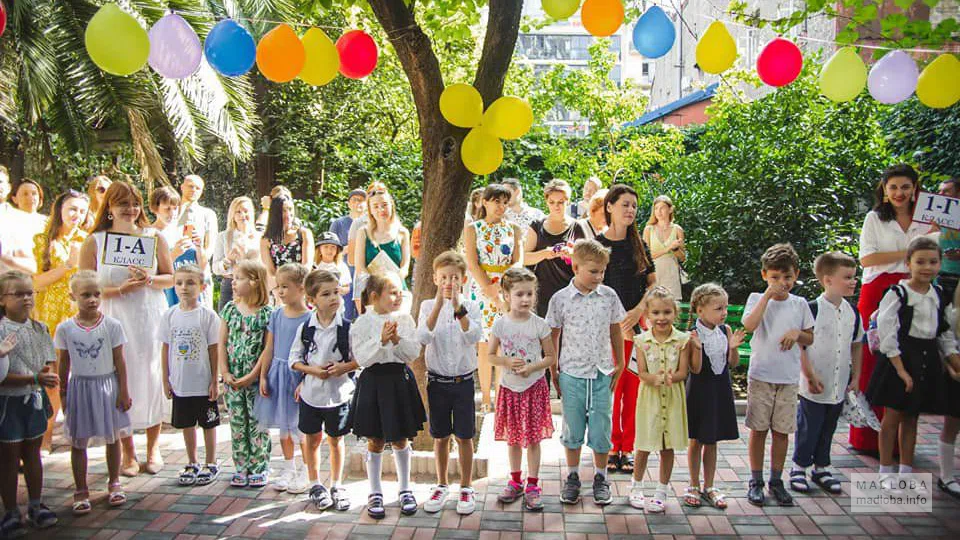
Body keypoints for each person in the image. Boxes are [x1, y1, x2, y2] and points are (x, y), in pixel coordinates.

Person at [79, 181, 174, 477]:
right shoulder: (95, 241)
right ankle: (128, 452)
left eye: (135, 204)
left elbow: (170, 277)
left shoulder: (154, 237)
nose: (131, 210)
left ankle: (154, 447)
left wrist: (148, 280)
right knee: (122, 379)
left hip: (149, 316)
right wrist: (118, 289)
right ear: (109, 207)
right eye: (123, 204)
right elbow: (84, 286)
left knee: (152, 375)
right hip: (115, 317)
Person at [867, 236, 960, 496]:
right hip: (900, 357)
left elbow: (943, 332)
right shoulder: (898, 293)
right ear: (908, 263)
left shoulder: (939, 294)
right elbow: (887, 331)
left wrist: (952, 358)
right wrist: (899, 368)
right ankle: (886, 470)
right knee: (892, 417)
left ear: (941, 264)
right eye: (920, 262)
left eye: (933, 262)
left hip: (926, 357)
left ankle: (906, 472)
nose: (926, 267)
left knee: (912, 416)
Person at [854, 164, 935, 453]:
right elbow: (867, 259)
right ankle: (866, 438)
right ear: (884, 191)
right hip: (877, 291)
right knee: (873, 360)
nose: (899, 193)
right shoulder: (874, 218)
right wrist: (913, 253)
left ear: (915, 189)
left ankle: (901, 445)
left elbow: (935, 255)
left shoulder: (927, 221)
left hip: (916, 292)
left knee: (910, 358)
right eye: (893, 187)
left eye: (905, 187)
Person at [546, 239, 625, 507]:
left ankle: (601, 478)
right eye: (593, 271)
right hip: (572, 373)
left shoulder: (609, 296)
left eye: (602, 271)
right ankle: (572, 476)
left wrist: (621, 361)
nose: (599, 277)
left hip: (603, 371)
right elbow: (553, 335)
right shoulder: (560, 299)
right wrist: (553, 367)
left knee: (603, 426)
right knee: (572, 425)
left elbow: (616, 328)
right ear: (576, 267)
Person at [740, 243, 814, 507]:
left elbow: (810, 337)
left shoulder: (800, 304)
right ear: (764, 276)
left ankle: (776, 479)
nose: (781, 283)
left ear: (796, 275)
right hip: (761, 375)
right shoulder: (755, 299)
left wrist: (798, 334)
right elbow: (748, 325)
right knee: (758, 429)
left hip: (788, 378)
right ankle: (756, 480)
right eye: (774, 277)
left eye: (787, 277)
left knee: (782, 432)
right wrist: (767, 296)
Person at [349, 272, 425, 519]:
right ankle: (375, 491)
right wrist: (381, 341)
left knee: (401, 437)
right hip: (373, 382)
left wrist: (397, 339)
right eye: (392, 292)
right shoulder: (362, 323)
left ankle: (405, 488)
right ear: (374, 297)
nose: (398, 296)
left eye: (400, 291)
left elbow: (412, 353)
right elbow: (361, 358)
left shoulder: (405, 319)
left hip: (399, 380)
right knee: (376, 438)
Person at [56, 270, 132, 514]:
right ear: (73, 296)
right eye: (85, 295)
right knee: (79, 441)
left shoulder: (112, 325)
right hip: (80, 387)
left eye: (96, 294)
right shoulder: (65, 328)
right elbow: (63, 363)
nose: (92, 299)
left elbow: (120, 361)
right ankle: (81, 489)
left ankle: (114, 482)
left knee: (113, 437)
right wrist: (64, 394)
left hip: (107, 386)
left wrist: (123, 391)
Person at [789, 252, 862, 495]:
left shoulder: (853, 312)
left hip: (838, 384)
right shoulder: (812, 309)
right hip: (813, 384)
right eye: (848, 277)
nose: (854, 282)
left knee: (829, 426)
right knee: (809, 425)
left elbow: (857, 344)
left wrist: (857, 375)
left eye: (854, 277)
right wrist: (809, 375)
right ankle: (799, 466)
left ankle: (822, 466)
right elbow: (801, 345)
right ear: (828, 280)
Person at [418, 252, 483, 516]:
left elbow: (473, 336)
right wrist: (437, 305)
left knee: (465, 436)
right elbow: (423, 335)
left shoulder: (471, 305)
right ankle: (441, 483)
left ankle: (466, 486)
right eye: (443, 277)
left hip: (463, 382)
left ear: (463, 280)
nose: (448, 282)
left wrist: (458, 307)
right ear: (435, 278)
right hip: (437, 381)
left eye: (454, 278)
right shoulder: (425, 306)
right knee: (440, 436)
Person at [597, 184, 656, 473]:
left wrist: (639, 310)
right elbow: (590, 288)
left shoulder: (639, 245)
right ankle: (609, 446)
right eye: (625, 204)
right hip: (608, 332)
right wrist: (617, 326)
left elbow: (653, 284)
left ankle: (627, 448)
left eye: (634, 205)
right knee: (610, 391)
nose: (630, 210)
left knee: (633, 391)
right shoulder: (597, 245)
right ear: (610, 207)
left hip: (638, 328)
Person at [489, 267, 556, 512]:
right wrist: (506, 361)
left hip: (533, 388)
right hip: (510, 389)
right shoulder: (500, 324)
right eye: (519, 294)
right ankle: (515, 480)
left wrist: (532, 368)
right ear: (507, 295)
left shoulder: (539, 325)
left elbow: (550, 357)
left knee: (534, 439)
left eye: (529, 294)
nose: (525, 299)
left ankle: (533, 484)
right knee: (514, 438)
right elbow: (490, 356)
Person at [289, 269, 357, 512]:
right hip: (311, 394)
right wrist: (312, 371)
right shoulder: (306, 329)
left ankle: (337, 484)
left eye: (336, 292)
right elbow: (294, 360)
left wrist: (342, 368)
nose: (333, 298)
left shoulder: (347, 328)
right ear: (312, 300)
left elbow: (358, 359)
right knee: (313, 439)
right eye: (326, 294)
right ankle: (315, 483)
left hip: (338, 394)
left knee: (336, 440)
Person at [0, 271, 59, 536]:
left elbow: (47, 362)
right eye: (18, 294)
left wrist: (44, 377)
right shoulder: (2, 330)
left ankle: (36, 504)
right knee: (9, 459)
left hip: (34, 400)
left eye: (29, 293)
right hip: (8, 404)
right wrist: (34, 377)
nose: (26, 298)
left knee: (33, 454)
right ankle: (11, 510)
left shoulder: (40, 328)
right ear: (2, 299)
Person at [31, 190, 89, 451]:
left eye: (81, 210)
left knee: (79, 378)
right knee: (51, 379)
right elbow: (35, 283)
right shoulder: (42, 240)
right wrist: (67, 265)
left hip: (78, 317)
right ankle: (45, 439)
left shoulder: (88, 240)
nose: (77, 215)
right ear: (60, 210)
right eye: (72, 209)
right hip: (48, 317)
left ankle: (80, 437)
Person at [629, 286, 692, 513]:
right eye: (656, 313)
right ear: (648, 315)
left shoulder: (682, 340)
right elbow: (641, 372)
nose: (661, 318)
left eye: (667, 312)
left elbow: (684, 372)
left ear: (675, 313)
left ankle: (661, 490)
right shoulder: (641, 341)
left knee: (667, 446)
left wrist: (671, 377)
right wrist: (653, 379)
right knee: (644, 444)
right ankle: (636, 486)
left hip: (673, 399)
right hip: (650, 400)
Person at [159, 265, 221, 489]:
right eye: (179, 283)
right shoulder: (169, 315)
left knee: (208, 423)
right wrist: (165, 379)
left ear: (202, 287)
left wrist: (215, 380)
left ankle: (211, 462)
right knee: (186, 423)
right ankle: (192, 461)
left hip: (203, 382)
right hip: (181, 383)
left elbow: (214, 349)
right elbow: (165, 348)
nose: (184, 287)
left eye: (190, 283)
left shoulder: (208, 316)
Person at [252, 263, 312, 494]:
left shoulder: (309, 318)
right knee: (284, 428)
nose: (280, 291)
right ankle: (289, 467)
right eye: (278, 287)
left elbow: (311, 352)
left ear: (302, 287)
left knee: (301, 427)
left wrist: (305, 380)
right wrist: (264, 376)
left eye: (285, 286)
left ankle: (307, 470)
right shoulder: (276, 315)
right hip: (277, 374)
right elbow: (269, 347)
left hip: (297, 376)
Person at [464, 184, 522, 412]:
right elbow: (471, 261)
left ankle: (501, 397)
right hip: (482, 288)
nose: (500, 206)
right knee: (484, 345)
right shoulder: (473, 228)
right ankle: (486, 398)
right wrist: (488, 286)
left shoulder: (514, 228)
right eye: (496, 201)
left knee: (504, 346)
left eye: (504, 202)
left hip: (507, 287)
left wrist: (503, 284)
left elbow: (518, 260)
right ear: (484, 202)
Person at [685, 283, 743, 510]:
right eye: (718, 308)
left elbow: (732, 363)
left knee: (713, 439)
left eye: (725, 308)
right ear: (701, 310)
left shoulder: (725, 330)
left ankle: (710, 485)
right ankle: (693, 484)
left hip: (720, 388)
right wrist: (697, 348)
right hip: (700, 389)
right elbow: (696, 369)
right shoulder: (692, 334)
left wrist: (734, 347)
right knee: (697, 439)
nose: (724, 313)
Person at [218, 260, 273, 489]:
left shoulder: (267, 314)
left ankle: (259, 466)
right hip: (232, 378)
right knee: (237, 422)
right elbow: (221, 342)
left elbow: (268, 349)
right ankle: (241, 466)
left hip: (255, 379)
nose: (233, 282)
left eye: (239, 278)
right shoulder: (230, 309)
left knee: (257, 423)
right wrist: (224, 372)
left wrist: (253, 375)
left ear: (255, 282)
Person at [523, 179, 584, 317]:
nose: (556, 206)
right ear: (546, 202)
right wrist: (545, 253)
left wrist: (572, 253)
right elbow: (524, 258)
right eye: (552, 202)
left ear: (567, 201)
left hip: (571, 290)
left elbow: (587, 259)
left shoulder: (577, 226)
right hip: (543, 291)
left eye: (561, 202)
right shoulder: (537, 226)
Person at [352, 189, 410, 313]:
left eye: (384, 205)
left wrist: (393, 283)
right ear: (370, 210)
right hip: (373, 294)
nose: (381, 210)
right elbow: (359, 267)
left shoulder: (402, 232)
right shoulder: (363, 233)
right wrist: (378, 286)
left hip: (397, 292)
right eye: (376, 206)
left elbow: (405, 266)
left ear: (391, 205)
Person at [150, 187, 206, 307]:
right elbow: (151, 271)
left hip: (189, 288)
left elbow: (201, 266)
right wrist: (174, 254)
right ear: (155, 209)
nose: (172, 213)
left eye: (175, 208)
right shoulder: (150, 234)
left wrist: (199, 246)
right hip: (166, 291)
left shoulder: (184, 231)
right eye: (167, 209)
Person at [212, 196, 261, 311]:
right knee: (226, 321)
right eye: (238, 212)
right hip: (230, 284)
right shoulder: (223, 237)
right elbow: (215, 268)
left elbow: (264, 266)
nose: (242, 215)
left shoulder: (260, 237)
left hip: (254, 285)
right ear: (233, 216)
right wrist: (227, 260)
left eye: (246, 211)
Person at [177, 175, 219, 308]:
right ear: (182, 187)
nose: (194, 190)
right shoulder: (172, 211)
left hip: (199, 270)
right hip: (174, 270)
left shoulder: (208, 214)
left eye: (198, 188)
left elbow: (210, 246)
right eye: (190, 186)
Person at [261, 195, 315, 290]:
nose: (288, 214)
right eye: (283, 211)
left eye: (290, 209)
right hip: (278, 289)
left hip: (301, 287)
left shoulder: (303, 234)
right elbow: (270, 271)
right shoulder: (266, 240)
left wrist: (294, 287)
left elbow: (307, 266)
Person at [329, 188, 366, 321]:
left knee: (364, 310)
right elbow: (330, 248)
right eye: (355, 200)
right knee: (345, 312)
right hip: (345, 272)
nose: (358, 204)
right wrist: (350, 248)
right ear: (349, 204)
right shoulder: (339, 223)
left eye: (362, 200)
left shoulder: (370, 224)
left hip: (363, 271)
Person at [643, 195, 686, 300]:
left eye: (662, 208)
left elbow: (683, 258)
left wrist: (675, 249)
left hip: (671, 273)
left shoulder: (677, 229)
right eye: (656, 208)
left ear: (670, 209)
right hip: (654, 274)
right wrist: (668, 248)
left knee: (672, 307)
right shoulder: (649, 229)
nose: (659, 211)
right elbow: (645, 257)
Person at [941, 282, 960, 498]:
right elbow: (945, 344)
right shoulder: (954, 316)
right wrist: (952, 369)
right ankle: (947, 476)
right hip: (956, 377)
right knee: (952, 426)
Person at [0, 166, 35, 274]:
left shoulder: (23, 221)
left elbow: (35, 265)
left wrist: (5, 258)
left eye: (0, 182)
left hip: (11, 286)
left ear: (8, 187)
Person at [937, 177, 960, 300]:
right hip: (941, 277)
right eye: (939, 191)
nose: (940, 195)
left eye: (946, 191)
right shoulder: (936, 216)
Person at [314, 231, 351, 298]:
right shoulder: (314, 266)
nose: (329, 250)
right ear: (319, 249)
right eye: (326, 247)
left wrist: (341, 290)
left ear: (337, 249)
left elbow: (347, 287)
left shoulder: (341, 266)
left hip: (336, 304)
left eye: (333, 247)